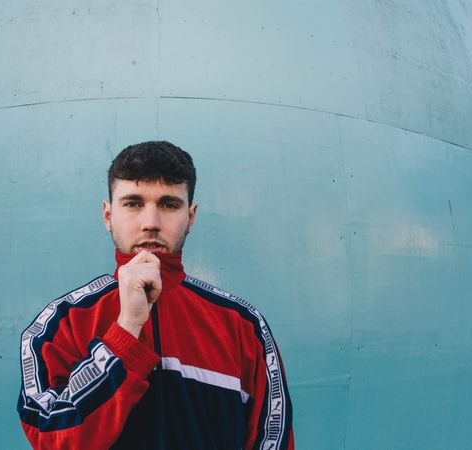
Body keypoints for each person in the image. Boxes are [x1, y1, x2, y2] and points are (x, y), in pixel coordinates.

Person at [17, 141, 294, 449]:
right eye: (133, 203)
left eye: (169, 204)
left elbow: (272, 440)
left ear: (191, 217)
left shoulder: (243, 325)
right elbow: (52, 437)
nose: (150, 223)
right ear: (108, 215)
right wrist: (125, 330)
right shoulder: (61, 323)